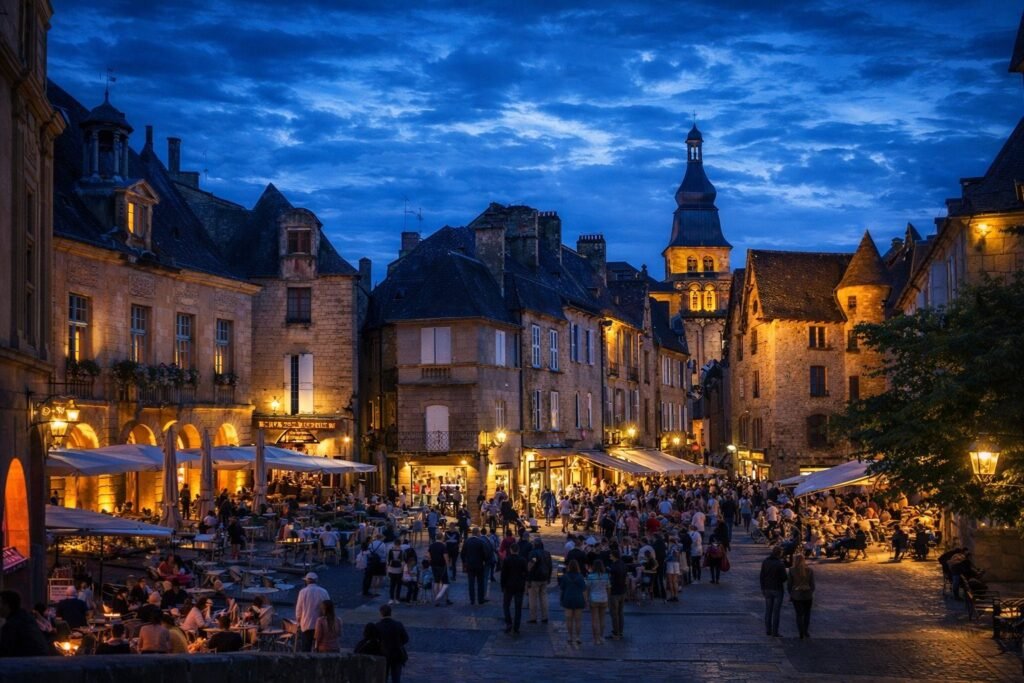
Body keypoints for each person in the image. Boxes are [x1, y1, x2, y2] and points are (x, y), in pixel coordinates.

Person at [0, 590, 54, 657]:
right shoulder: (26, 618)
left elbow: (5, 652)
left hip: (26, 664)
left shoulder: (12, 625)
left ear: (6, 605)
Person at [295, 572, 330, 652]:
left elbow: (298, 610)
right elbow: (328, 607)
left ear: (307, 581)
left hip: (306, 624)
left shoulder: (302, 592)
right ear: (316, 580)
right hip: (321, 624)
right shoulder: (323, 591)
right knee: (320, 647)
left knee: (306, 647)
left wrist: (298, 622)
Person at [376, 604, 409, 683]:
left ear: (381, 613)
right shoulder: (398, 624)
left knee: (383, 677)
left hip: (383, 654)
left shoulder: (378, 625)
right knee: (396, 678)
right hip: (397, 654)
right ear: (391, 613)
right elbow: (406, 638)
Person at [500, 544, 528, 635]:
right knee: (518, 607)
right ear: (518, 550)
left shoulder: (507, 560)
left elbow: (503, 574)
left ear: (511, 550)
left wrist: (502, 585)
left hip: (508, 585)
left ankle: (509, 623)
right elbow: (526, 573)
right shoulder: (523, 560)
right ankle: (516, 626)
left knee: (506, 605)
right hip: (519, 586)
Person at [760, 546, 788, 637]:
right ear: (779, 554)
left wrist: (763, 587)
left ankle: (768, 629)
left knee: (768, 610)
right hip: (777, 589)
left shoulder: (765, 561)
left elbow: (762, 576)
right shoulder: (780, 564)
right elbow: (784, 578)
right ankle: (775, 631)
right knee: (776, 612)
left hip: (767, 588)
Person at [461, 527, 491, 606]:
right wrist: (484, 560)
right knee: (480, 583)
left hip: (470, 565)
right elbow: (486, 553)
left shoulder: (467, 542)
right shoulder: (480, 542)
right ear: (477, 533)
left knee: (471, 583)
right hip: (479, 565)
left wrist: (464, 562)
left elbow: (462, 553)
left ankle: (472, 600)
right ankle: (480, 599)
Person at [787, 554, 815, 639]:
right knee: (807, 614)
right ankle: (806, 631)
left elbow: (789, 585)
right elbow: (812, 585)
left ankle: (800, 632)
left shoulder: (792, 570)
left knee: (799, 615)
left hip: (797, 595)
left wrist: (791, 593)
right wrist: (810, 591)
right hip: (807, 595)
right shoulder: (809, 570)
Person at [559, 559, 587, 646]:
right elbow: (584, 590)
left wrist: (561, 599)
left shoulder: (564, 577)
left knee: (569, 619)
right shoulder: (580, 576)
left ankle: (570, 637)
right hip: (578, 598)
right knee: (578, 620)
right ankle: (578, 637)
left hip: (568, 598)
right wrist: (585, 600)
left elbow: (561, 589)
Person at [525, 538, 552, 624]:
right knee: (543, 598)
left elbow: (531, 565)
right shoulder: (547, 554)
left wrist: (528, 577)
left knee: (533, 598)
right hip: (544, 578)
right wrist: (549, 578)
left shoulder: (534, 553)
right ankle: (545, 616)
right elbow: (550, 566)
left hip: (535, 578)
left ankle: (533, 617)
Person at [585, 559, 610, 644]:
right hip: (604, 598)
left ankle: (596, 639)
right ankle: (601, 637)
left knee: (595, 620)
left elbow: (587, 589)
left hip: (594, 598)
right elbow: (608, 588)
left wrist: (587, 600)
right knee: (602, 619)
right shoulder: (606, 576)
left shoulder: (590, 576)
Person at [607, 548, 628, 640]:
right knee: (620, 612)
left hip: (615, 592)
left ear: (614, 556)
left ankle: (616, 632)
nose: (609, 556)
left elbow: (612, 580)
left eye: (611, 554)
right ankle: (620, 631)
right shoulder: (623, 564)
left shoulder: (613, 567)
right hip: (622, 591)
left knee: (614, 613)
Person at [386, 539, 406, 605]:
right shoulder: (402, 551)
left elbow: (388, 561)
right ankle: (397, 599)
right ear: (400, 544)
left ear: (394, 543)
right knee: (398, 585)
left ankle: (391, 599)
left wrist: (387, 570)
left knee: (392, 585)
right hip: (399, 570)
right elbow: (403, 561)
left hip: (391, 569)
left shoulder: (390, 550)